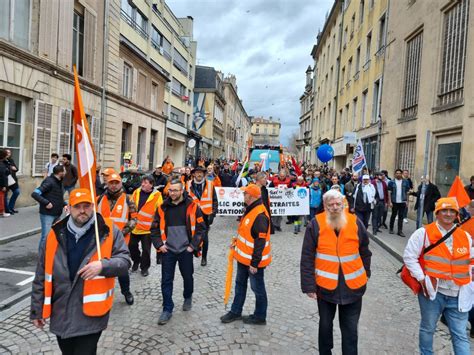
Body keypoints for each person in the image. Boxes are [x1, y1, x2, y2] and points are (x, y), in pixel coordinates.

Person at [30, 188, 131, 354]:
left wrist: (103, 266)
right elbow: (41, 274)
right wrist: (37, 310)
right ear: (68, 208)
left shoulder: (107, 231)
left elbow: (125, 261)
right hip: (61, 311)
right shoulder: (54, 234)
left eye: (87, 205)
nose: (82, 210)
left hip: (90, 314)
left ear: (93, 206)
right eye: (77, 206)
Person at [300, 189, 372, 355]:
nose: (335, 207)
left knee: (350, 330)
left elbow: (365, 251)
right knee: (325, 326)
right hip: (325, 287)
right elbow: (307, 256)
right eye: (330, 204)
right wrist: (309, 286)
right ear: (325, 206)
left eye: (338, 204)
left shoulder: (355, 222)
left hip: (353, 287)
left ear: (343, 204)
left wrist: (366, 273)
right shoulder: (315, 224)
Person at [403, 197, 473, 354]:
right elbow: (409, 257)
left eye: (452, 211)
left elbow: (470, 262)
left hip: (458, 294)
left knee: (460, 335)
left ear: (456, 214)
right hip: (433, 293)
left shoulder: (465, 237)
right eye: (444, 211)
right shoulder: (423, 233)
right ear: (437, 213)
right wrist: (421, 279)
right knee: (428, 328)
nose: (448, 214)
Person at [150, 179, 206, 325]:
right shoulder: (162, 208)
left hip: (185, 251)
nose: (173, 193)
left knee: (187, 277)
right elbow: (154, 228)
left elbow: (201, 228)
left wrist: (192, 247)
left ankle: (188, 296)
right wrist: (159, 245)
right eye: (171, 190)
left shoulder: (193, 207)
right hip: (168, 250)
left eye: (176, 190)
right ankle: (167, 308)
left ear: (182, 191)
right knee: (166, 280)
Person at [221, 184, 271, 325]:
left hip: (253, 263)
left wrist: (255, 263)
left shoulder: (260, 215)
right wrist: (236, 243)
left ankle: (260, 316)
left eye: (245, 194)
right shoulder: (251, 210)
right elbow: (246, 233)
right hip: (243, 258)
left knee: (257, 288)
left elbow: (260, 242)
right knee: (240, 285)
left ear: (251, 196)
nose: (243, 196)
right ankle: (235, 311)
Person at [97, 173, 137, 305]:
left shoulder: (128, 199)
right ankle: (102, 294)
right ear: (107, 184)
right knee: (102, 267)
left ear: (121, 184)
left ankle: (126, 292)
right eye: (111, 183)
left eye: (116, 183)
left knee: (122, 268)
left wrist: (122, 233)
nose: (114, 186)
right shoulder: (99, 199)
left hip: (121, 242)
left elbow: (134, 219)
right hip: (102, 242)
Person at [130, 175, 163, 276]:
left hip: (148, 229)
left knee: (146, 251)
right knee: (131, 247)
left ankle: (144, 268)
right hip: (134, 227)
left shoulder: (157, 195)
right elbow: (131, 205)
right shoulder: (137, 192)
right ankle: (136, 260)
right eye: (142, 182)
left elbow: (160, 212)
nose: (142, 184)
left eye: (145, 183)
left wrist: (157, 226)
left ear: (151, 184)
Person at [186, 166, 217, 266]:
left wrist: (213, 214)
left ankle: (204, 257)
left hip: (205, 215)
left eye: (201, 172)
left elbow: (215, 201)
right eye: (197, 172)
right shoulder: (188, 184)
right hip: (192, 215)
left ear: (204, 174)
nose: (199, 174)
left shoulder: (210, 184)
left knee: (205, 238)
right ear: (193, 174)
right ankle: (194, 251)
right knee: (191, 235)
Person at [31, 165, 67, 248]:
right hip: (47, 214)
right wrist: (46, 203)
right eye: (64, 171)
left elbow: (57, 196)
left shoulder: (59, 181)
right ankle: (42, 258)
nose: (66, 172)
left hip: (57, 213)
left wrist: (64, 204)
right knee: (45, 237)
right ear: (60, 173)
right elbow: (35, 194)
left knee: (55, 236)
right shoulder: (49, 182)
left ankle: (51, 255)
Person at [388, 169, 411, 237]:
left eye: (399, 173)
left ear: (401, 174)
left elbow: (407, 192)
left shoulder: (406, 182)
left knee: (401, 216)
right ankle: (391, 228)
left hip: (402, 201)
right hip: (394, 201)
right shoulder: (391, 182)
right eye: (397, 173)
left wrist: (407, 201)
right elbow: (389, 192)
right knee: (393, 215)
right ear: (395, 174)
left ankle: (400, 231)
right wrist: (390, 202)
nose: (398, 174)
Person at [4, 149, 20, 214]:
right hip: (5, 180)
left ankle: (11, 207)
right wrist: (11, 167)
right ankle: (7, 210)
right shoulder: (2, 161)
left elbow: (16, 169)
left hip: (13, 180)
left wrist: (14, 168)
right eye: (7, 152)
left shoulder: (11, 160)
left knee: (17, 192)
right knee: (5, 195)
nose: (8, 153)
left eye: (9, 152)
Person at [0, 149, 10, 217]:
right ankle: (2, 212)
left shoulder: (3, 162)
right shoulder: (1, 164)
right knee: (1, 198)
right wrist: (3, 186)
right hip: (1, 184)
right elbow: (3, 175)